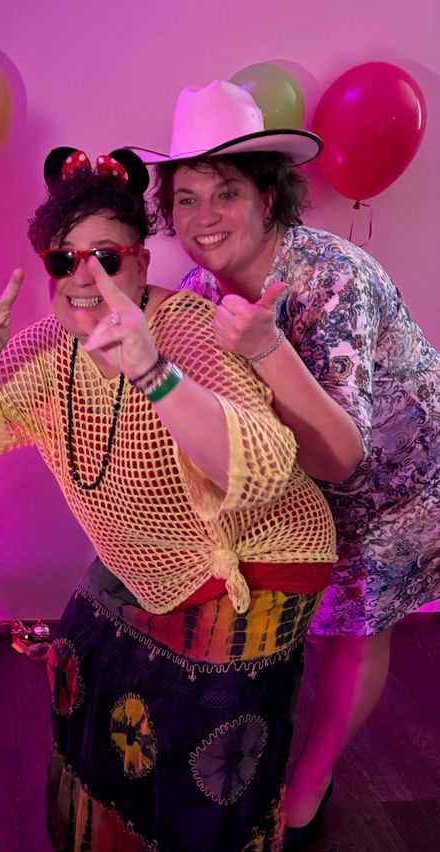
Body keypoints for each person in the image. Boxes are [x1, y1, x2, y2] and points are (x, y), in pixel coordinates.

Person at [0, 146, 338, 851]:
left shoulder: (185, 327)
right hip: (159, 559)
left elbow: (268, 462)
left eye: (107, 257)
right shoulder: (47, 346)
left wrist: (153, 371)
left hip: (257, 555)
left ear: (142, 263)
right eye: (65, 260)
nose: (84, 277)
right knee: (81, 657)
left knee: (198, 745)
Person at [145, 79, 440, 842]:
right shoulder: (193, 286)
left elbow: (344, 457)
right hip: (294, 476)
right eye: (185, 197)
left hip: (393, 475)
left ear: (269, 198)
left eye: (226, 193)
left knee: (354, 620)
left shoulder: (331, 281)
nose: (203, 218)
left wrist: (269, 349)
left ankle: (312, 783)